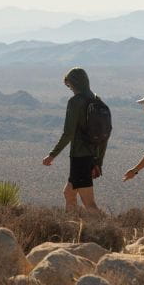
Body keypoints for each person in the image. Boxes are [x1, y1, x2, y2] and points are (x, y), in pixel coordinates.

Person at [42, 67, 106, 217]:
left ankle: (108, 229)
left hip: (80, 156)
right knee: (69, 193)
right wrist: (98, 161)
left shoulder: (76, 102)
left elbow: (68, 133)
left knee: (89, 203)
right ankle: (72, 226)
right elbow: (104, 136)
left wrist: (52, 155)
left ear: (74, 83)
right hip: (90, 156)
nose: (70, 89)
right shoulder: (97, 100)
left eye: (69, 86)